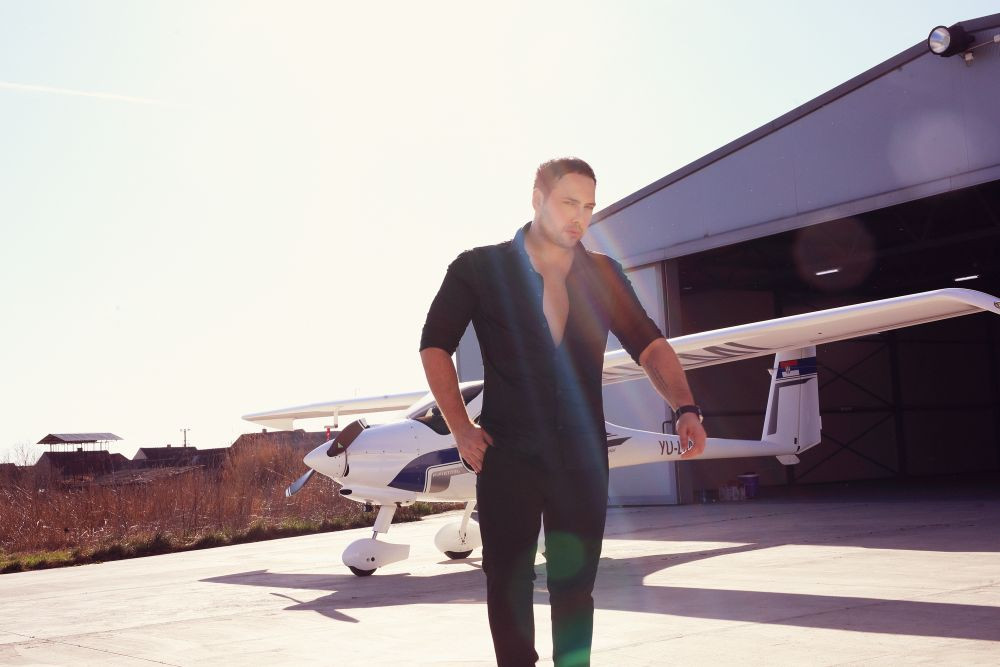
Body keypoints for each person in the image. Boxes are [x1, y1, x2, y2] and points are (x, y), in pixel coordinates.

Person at [419, 157, 707, 666]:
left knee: (575, 586)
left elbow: (649, 345)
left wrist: (685, 407)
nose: (580, 216)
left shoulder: (603, 274)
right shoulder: (479, 268)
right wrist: (460, 428)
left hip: (581, 457)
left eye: (589, 206)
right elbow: (435, 345)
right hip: (507, 454)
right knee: (507, 582)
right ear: (537, 200)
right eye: (569, 202)